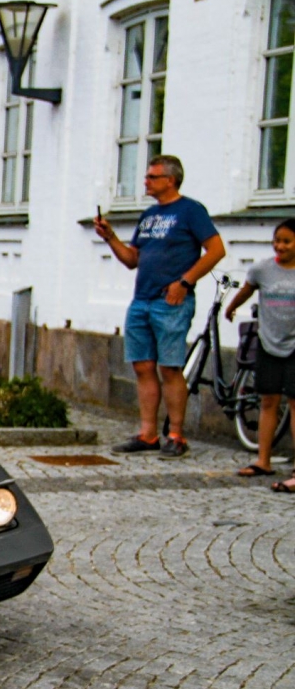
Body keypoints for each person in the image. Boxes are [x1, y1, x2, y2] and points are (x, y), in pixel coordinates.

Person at [94, 155, 225, 459]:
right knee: (142, 366)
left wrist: (185, 282)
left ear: (170, 180)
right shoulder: (149, 215)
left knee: (170, 367)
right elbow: (132, 259)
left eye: (152, 177)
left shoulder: (190, 210)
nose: (146, 182)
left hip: (171, 301)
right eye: (146, 176)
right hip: (142, 299)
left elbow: (216, 250)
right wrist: (110, 237)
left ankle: (176, 435)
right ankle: (148, 434)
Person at [224, 218, 295, 488]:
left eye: (287, 241)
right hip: (268, 343)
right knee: (268, 401)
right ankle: (263, 460)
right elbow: (247, 290)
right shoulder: (262, 270)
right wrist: (231, 307)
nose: (280, 246)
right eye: (277, 241)